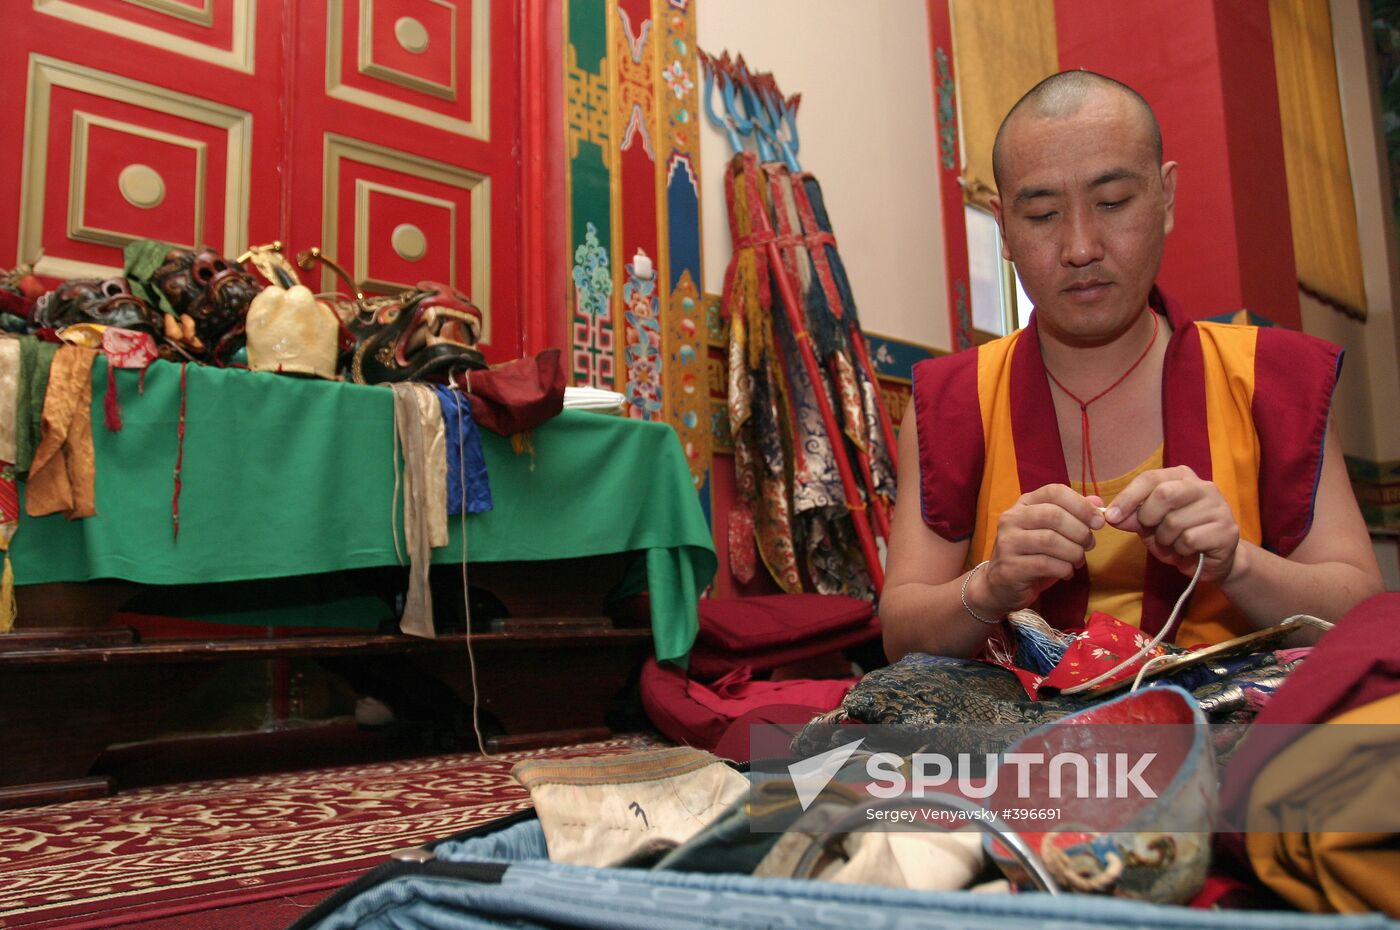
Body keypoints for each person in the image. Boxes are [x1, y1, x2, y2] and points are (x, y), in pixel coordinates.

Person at [882, 70, 1383, 662]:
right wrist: (990, 586)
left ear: (1166, 197)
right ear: (1005, 229)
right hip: (1019, 735)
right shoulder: (954, 399)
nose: (1081, 247)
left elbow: (1360, 613)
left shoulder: (1272, 378)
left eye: (1113, 202)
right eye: (1042, 215)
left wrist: (1236, 563)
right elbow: (901, 635)